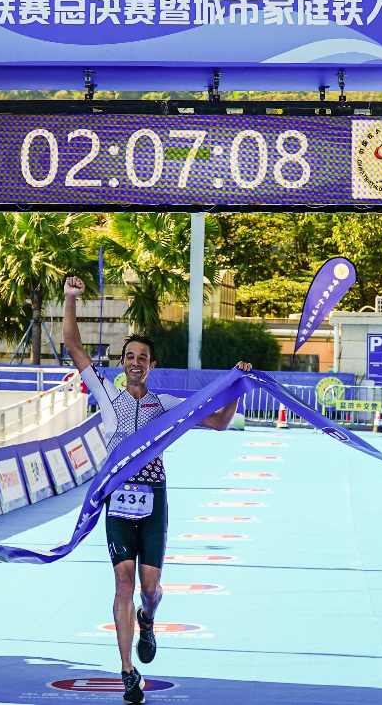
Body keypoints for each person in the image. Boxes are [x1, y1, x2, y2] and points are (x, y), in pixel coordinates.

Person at [63, 276, 250, 704]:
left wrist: (237, 387)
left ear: (151, 365)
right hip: (117, 500)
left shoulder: (165, 405)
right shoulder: (105, 394)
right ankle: (127, 672)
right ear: (121, 362)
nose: (135, 363)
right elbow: (72, 344)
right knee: (122, 583)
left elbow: (220, 423)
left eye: (142, 358)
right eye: (129, 356)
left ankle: (148, 619)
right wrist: (70, 298)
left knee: (149, 588)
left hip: (153, 501)